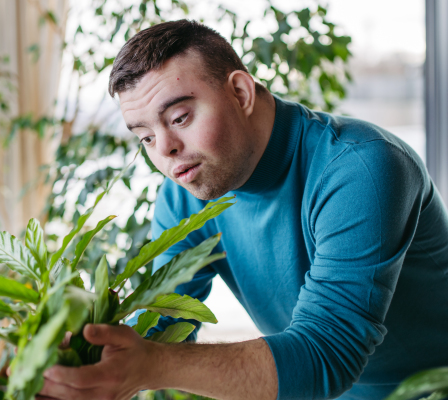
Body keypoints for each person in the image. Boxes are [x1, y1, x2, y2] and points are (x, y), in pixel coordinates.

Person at [36, 20, 448, 400]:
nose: (164, 150)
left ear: (240, 93)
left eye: (179, 117)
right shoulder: (186, 194)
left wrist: (150, 364)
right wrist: (67, 356)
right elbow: (162, 331)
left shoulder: (362, 168)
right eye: (144, 137)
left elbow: (327, 352)